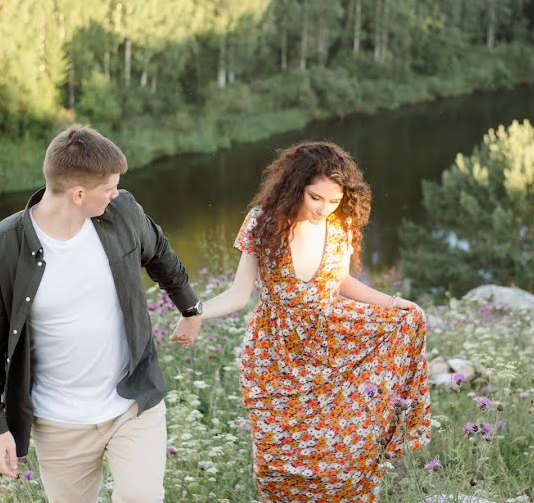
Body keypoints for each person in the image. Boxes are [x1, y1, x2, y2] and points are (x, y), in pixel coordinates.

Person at [172, 142, 431, 502]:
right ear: (295, 187)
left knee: (337, 459)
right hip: (272, 357)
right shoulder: (263, 222)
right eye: (315, 198)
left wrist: (394, 303)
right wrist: (194, 312)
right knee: (275, 463)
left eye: (334, 201)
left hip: (329, 352)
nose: (324, 209)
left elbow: (340, 281)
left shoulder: (338, 226)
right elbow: (239, 293)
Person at [0, 124, 203, 503]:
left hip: (133, 404)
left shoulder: (121, 212)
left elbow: (159, 252)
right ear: (78, 194)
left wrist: (190, 308)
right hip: (59, 424)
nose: (117, 194)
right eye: (108, 188)